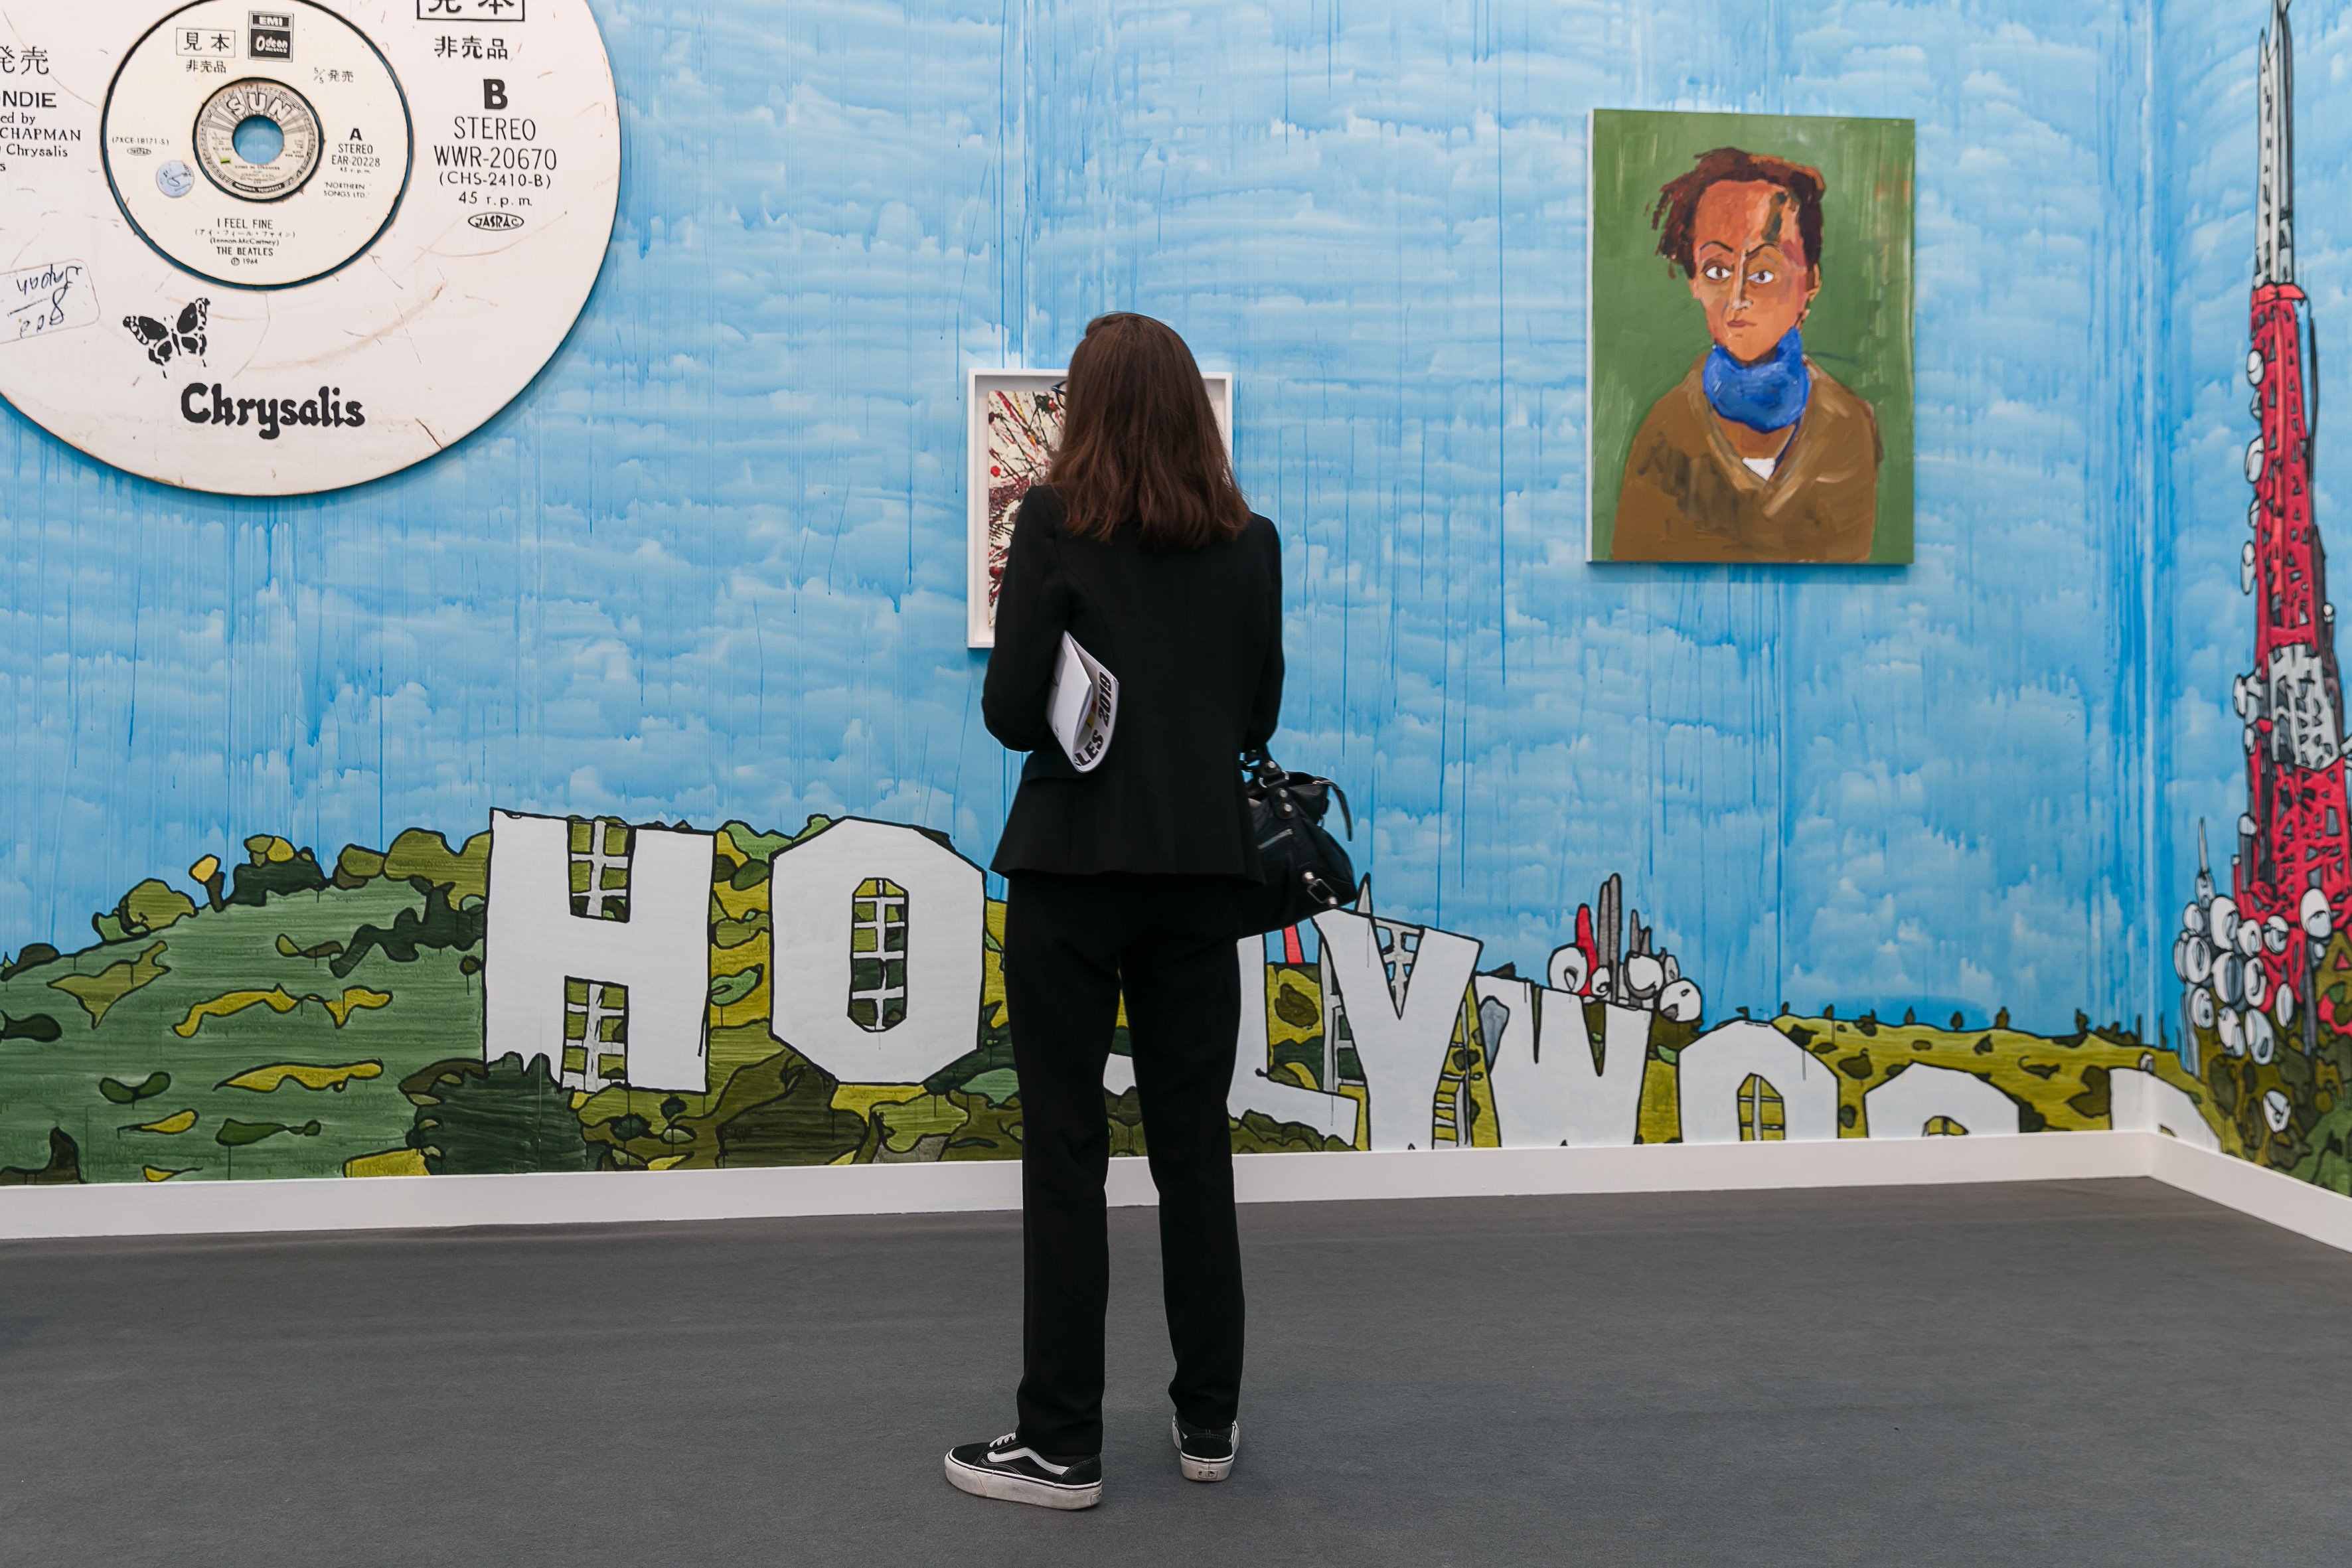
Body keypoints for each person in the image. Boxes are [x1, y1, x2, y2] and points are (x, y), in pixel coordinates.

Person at [945, 313, 1283, 1510]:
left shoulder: (1051, 525)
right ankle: (1207, 1424)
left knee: (1065, 1154)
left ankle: (1062, 1443)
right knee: (1195, 1152)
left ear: (1084, 408)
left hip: (1072, 873)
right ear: (1193, 410)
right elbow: (1255, 720)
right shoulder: (1252, 546)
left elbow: (1005, 713)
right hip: (1201, 874)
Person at [1610, 147, 1882, 563]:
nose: (1737, 299)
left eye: (1763, 273)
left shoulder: (1847, 428)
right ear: (1694, 284)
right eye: (1717, 271)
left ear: (1809, 284)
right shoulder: (1665, 437)